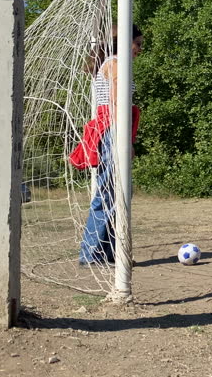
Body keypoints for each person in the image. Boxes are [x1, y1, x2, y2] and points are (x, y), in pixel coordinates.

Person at [72, 23, 144, 265]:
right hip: (112, 130)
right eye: (138, 44)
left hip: (112, 129)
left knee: (118, 193)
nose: (140, 50)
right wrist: (125, 139)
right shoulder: (115, 63)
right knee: (108, 193)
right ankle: (92, 253)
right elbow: (116, 102)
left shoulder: (113, 63)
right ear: (124, 41)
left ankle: (110, 252)